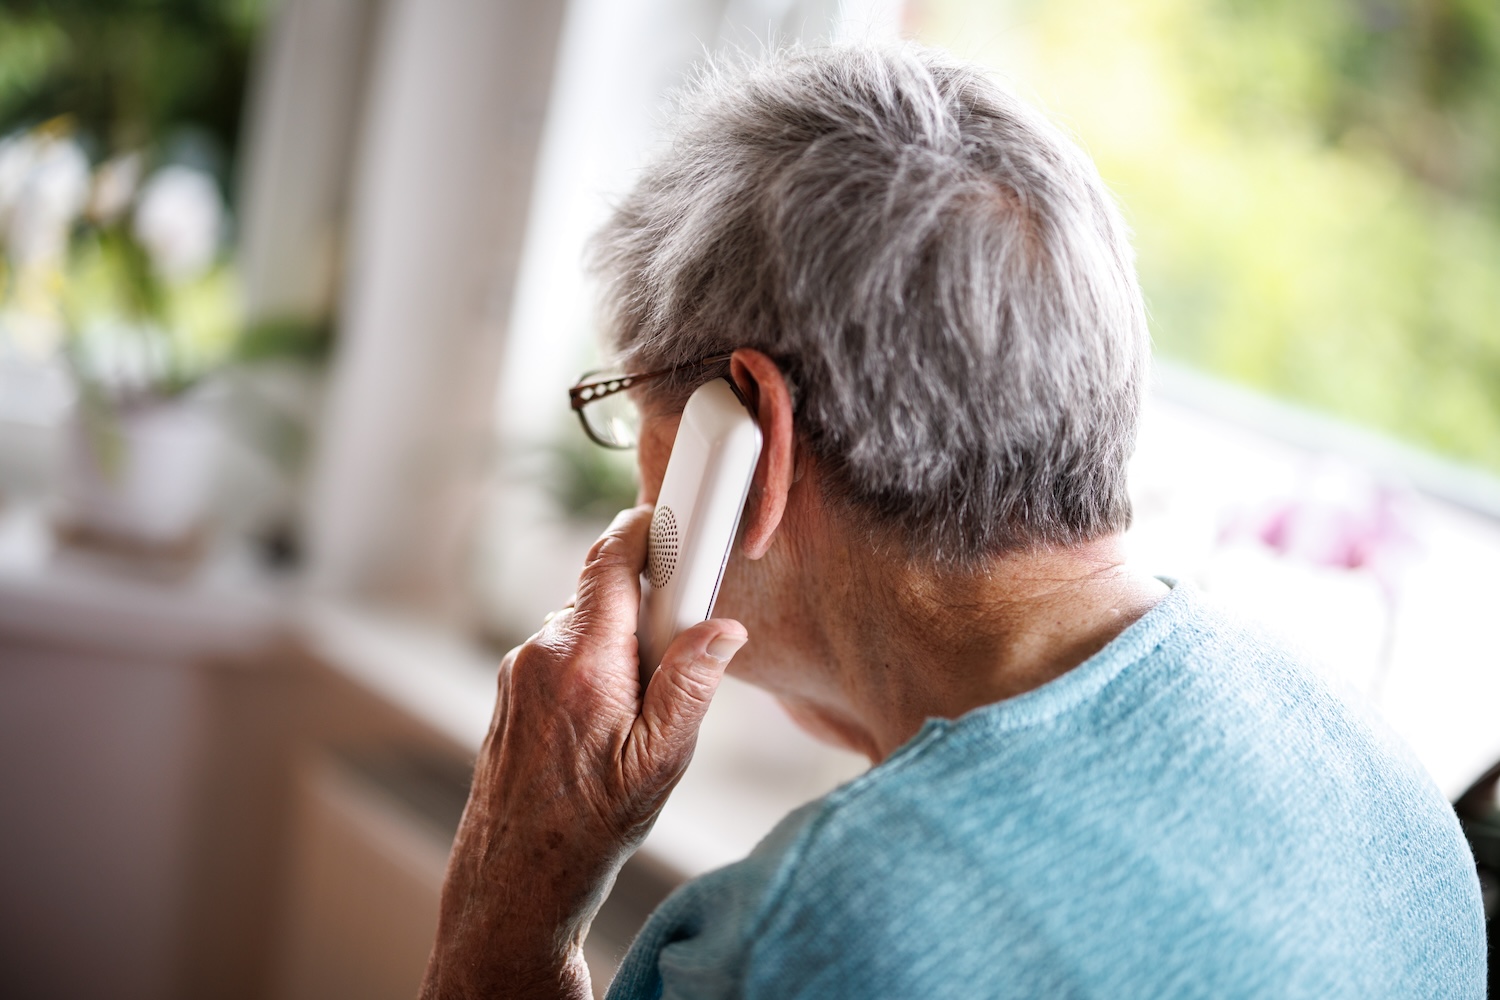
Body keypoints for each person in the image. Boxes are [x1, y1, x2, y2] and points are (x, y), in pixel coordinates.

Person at [420, 44, 1484, 999]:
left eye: (632, 414)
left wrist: (507, 917)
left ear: (752, 440)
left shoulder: (809, 935)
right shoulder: (1385, 790)